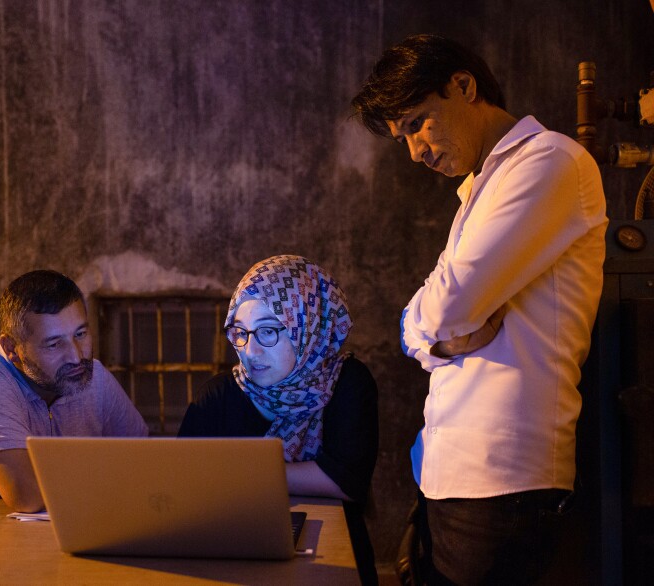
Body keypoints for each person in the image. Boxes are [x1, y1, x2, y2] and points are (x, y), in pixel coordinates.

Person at [352, 34, 607, 584]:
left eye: (419, 122)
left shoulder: (550, 162)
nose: (416, 151)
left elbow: (448, 302)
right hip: (452, 478)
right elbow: (431, 321)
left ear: (464, 87)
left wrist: (429, 329)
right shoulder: (481, 188)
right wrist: (429, 337)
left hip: (507, 482)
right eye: (403, 137)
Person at [178, 254, 379, 584]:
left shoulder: (347, 382)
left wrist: (239, 472)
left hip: (333, 560)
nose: (250, 351)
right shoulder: (216, 396)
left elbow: (346, 480)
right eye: (240, 332)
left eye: (269, 332)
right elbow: (186, 483)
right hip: (232, 563)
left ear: (308, 327)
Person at [0, 269, 148, 512]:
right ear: (12, 348)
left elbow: (144, 464)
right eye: (54, 344)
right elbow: (27, 496)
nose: (77, 356)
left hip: (50, 529)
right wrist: (111, 476)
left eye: (81, 334)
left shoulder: (92, 376)